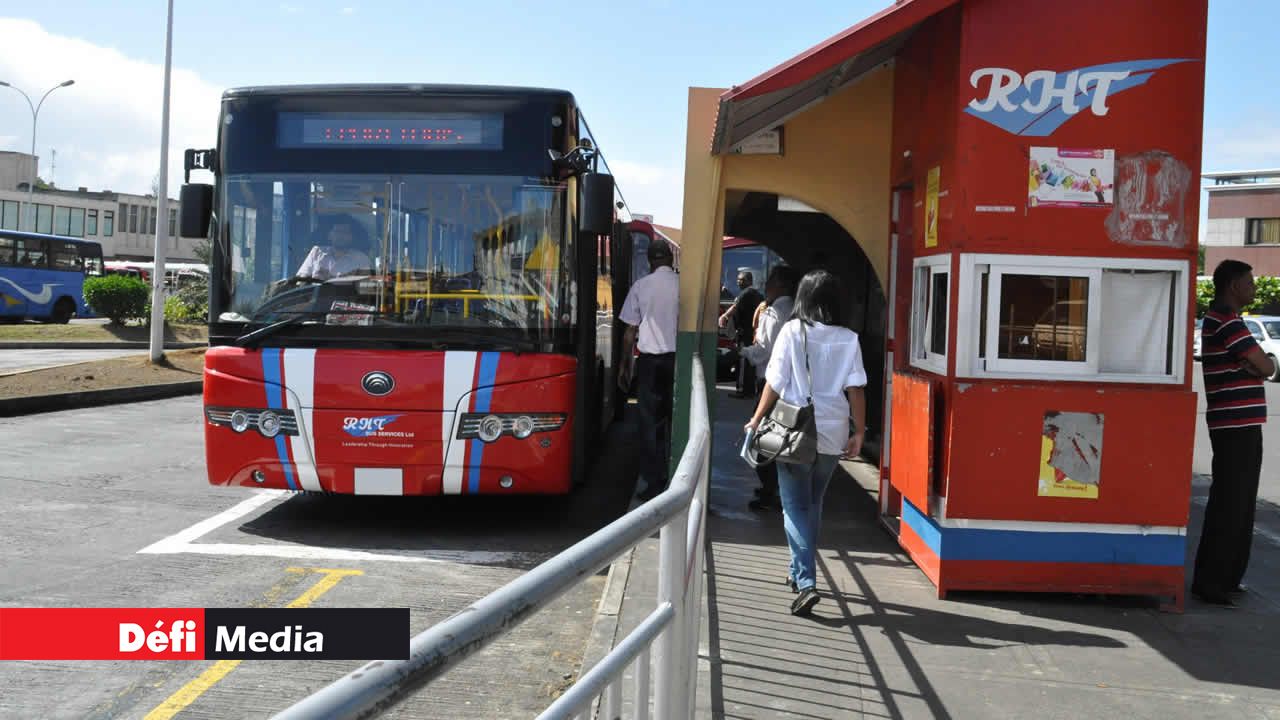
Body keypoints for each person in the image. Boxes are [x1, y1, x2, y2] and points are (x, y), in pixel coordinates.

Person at [746, 269, 866, 617]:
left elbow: (775, 383)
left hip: (794, 430)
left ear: (803, 299)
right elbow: (856, 388)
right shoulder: (849, 338)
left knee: (795, 507)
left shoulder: (792, 331)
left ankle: (806, 582)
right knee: (813, 504)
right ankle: (797, 571)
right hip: (833, 429)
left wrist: (756, 420)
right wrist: (859, 432)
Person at [1192, 259, 1275, 606]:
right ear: (1234, 285)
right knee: (1231, 503)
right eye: (1250, 282)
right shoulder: (1224, 322)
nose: (1254, 288)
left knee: (1240, 503)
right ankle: (1212, 582)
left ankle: (1226, 579)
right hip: (1233, 425)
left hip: (1241, 423)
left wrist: (1255, 366)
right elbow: (1266, 365)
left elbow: (1261, 366)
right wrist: (1254, 367)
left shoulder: (1230, 322)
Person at [619, 239, 680, 502]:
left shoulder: (641, 286)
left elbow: (630, 331)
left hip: (650, 363)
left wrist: (625, 364)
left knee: (649, 422)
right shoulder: (683, 286)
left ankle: (654, 481)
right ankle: (677, 474)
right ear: (671, 259)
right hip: (679, 361)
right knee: (675, 419)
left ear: (650, 262)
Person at [739, 265, 800, 512]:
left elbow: (764, 350)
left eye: (771, 282)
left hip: (771, 384)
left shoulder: (776, 312)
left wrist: (741, 351)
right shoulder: (796, 311)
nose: (766, 286)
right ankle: (774, 489)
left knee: (762, 439)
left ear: (781, 285)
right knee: (780, 439)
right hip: (790, 386)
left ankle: (770, 492)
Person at [720, 271, 764, 398]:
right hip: (752, 333)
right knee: (750, 362)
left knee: (744, 362)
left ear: (749, 281)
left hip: (745, 334)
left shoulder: (747, 293)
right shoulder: (756, 294)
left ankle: (744, 391)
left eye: (742, 280)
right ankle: (749, 390)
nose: (739, 282)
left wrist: (724, 316)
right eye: (738, 280)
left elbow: (735, 307)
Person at [295, 214, 373, 282]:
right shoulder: (316, 252)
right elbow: (300, 280)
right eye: (337, 231)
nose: (341, 236)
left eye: (345, 232)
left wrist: (331, 278)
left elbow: (365, 288)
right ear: (329, 235)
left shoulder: (362, 259)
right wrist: (312, 279)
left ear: (351, 237)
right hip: (315, 297)